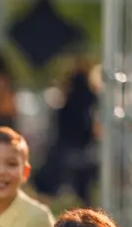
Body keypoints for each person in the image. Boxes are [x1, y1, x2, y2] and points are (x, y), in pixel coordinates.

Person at [34, 61, 99, 205]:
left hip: (66, 151)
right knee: (83, 191)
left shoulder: (66, 104)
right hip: (84, 152)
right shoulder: (91, 102)